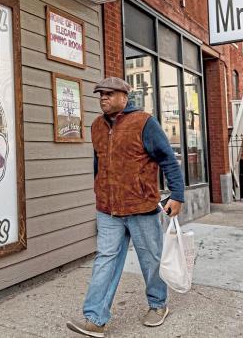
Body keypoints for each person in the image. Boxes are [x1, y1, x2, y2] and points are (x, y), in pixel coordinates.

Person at [67, 77, 185, 337]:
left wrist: (177, 194)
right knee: (105, 260)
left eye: (109, 94)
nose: (103, 98)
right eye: (100, 94)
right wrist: (99, 190)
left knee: (150, 259)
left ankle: (157, 304)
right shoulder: (97, 126)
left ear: (124, 96)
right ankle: (95, 318)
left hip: (140, 206)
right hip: (107, 209)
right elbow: (99, 164)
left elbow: (168, 159)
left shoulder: (144, 122)